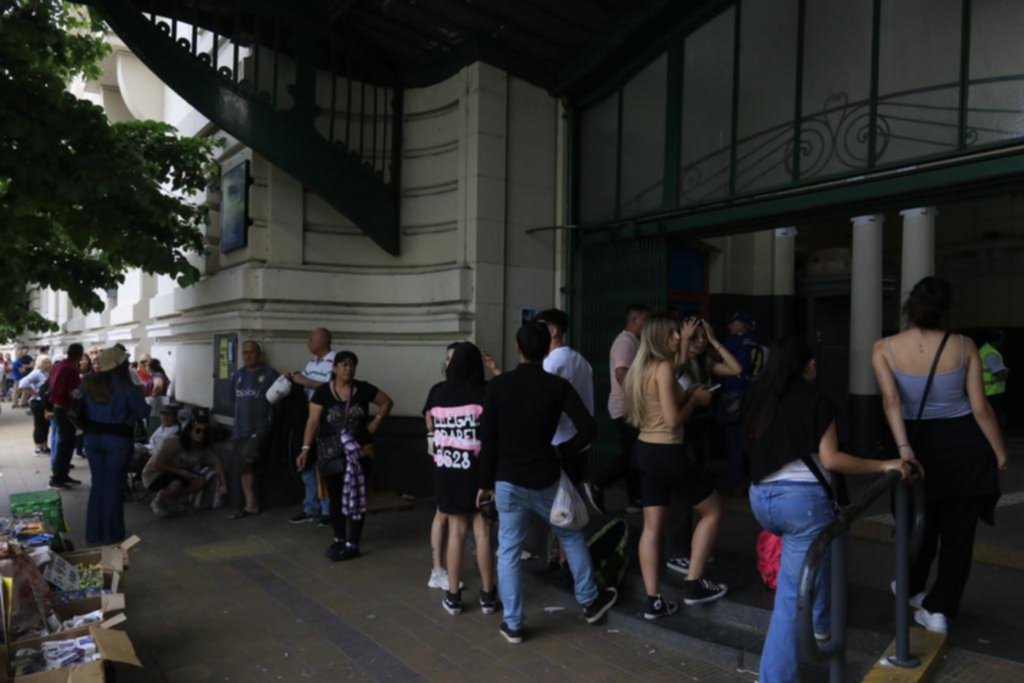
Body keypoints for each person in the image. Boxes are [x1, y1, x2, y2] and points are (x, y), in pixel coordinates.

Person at [746, 337, 910, 683]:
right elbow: (833, 460)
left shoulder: (758, 396)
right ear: (809, 366)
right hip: (801, 505)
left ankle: (821, 625)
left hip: (761, 499)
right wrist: (884, 465)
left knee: (828, 547)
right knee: (790, 598)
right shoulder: (817, 399)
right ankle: (774, 678)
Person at [872, 276, 1006, 634]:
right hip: (966, 447)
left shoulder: (884, 347)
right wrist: (999, 452)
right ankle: (939, 609)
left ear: (908, 307)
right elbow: (980, 409)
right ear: (945, 311)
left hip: (919, 446)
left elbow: (892, 402)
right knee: (959, 537)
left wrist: (904, 450)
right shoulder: (964, 346)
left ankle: (912, 587)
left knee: (920, 524)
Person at [478, 321, 617, 644]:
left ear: (518, 348)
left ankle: (513, 624)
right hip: (546, 477)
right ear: (546, 348)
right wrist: (559, 450)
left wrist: (485, 483)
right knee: (570, 535)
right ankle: (590, 601)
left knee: (509, 550)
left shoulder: (497, 387)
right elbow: (588, 429)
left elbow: (489, 440)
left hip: (507, 480)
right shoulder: (557, 387)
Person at [622, 314, 727, 618]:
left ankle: (653, 600)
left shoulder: (642, 369)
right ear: (659, 338)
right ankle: (694, 583)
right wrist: (695, 400)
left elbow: (673, 374)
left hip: (644, 450)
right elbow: (672, 418)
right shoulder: (664, 369)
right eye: (673, 334)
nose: (678, 337)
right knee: (714, 510)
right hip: (667, 450)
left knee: (652, 527)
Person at [424, 342, 498, 615]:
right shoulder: (485, 392)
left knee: (455, 533)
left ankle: (453, 597)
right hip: (479, 475)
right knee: (483, 534)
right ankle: (488, 596)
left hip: (446, 473)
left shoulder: (439, 393)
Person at [298, 351, 393, 561]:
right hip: (331, 453)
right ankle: (339, 538)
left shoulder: (363, 389)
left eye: (352, 365)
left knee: (358, 495)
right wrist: (305, 449)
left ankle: (353, 542)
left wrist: (375, 423)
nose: (348, 369)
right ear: (335, 368)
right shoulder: (323, 392)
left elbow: (386, 402)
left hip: (360, 451)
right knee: (335, 496)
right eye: (344, 365)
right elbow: (312, 422)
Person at [666, 315, 742, 575]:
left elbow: (736, 369)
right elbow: (677, 367)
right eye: (695, 336)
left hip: (701, 431)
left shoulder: (705, 362)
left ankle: (692, 547)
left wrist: (714, 340)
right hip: (682, 433)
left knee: (697, 491)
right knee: (682, 494)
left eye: (702, 336)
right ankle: (676, 551)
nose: (700, 341)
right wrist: (685, 340)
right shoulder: (675, 363)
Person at [80, 346, 151, 544]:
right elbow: (143, 411)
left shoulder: (88, 383)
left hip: (92, 439)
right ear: (120, 366)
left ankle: (93, 533)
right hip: (118, 441)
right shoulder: (125, 386)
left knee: (98, 484)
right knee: (113, 486)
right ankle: (112, 533)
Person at [588, 304, 650, 512]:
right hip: (624, 408)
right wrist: (636, 397)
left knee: (632, 452)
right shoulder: (625, 342)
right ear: (636, 320)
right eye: (646, 320)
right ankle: (599, 483)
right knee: (632, 453)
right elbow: (621, 372)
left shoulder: (632, 341)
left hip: (627, 406)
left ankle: (635, 499)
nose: (648, 325)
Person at [287, 328, 335, 525]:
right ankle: (310, 508)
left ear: (322, 340)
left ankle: (327, 511)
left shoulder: (335, 361)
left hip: (325, 419)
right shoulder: (311, 363)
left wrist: (303, 380)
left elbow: (330, 389)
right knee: (306, 462)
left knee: (324, 465)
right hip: (308, 417)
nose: (307, 342)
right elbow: (305, 384)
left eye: (311, 339)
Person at [227, 341, 279, 519]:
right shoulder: (238, 375)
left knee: (247, 461)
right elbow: (233, 399)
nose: (248, 356)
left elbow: (278, 400)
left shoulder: (269, 374)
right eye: (245, 352)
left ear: (259, 354)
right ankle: (251, 504)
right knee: (243, 467)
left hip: (260, 429)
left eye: (252, 352)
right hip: (240, 429)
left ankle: (253, 503)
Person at [423, 342, 460, 591]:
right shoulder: (438, 389)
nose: (448, 364)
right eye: (447, 359)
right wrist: (433, 437)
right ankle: (437, 570)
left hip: (466, 460)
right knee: (443, 512)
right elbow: (428, 415)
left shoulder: (476, 389)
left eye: (453, 359)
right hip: (448, 459)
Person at [143, 413, 227, 517]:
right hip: (154, 474)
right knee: (176, 484)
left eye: (204, 432)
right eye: (198, 431)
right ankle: (158, 500)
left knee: (200, 481)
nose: (201, 434)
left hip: (177, 475)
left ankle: (171, 499)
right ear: (190, 431)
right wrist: (180, 472)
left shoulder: (201, 449)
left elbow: (216, 463)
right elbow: (157, 464)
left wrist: (223, 484)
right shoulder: (175, 442)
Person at [720, 311, 763, 490]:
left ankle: (735, 482)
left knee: (735, 441)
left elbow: (721, 361)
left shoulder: (735, 341)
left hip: (735, 396)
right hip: (752, 395)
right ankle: (754, 477)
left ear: (743, 326)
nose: (730, 326)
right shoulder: (756, 342)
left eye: (734, 323)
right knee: (748, 439)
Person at [48, 344, 85, 490]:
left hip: (58, 407)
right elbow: (74, 392)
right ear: (80, 355)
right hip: (66, 409)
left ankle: (63, 475)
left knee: (67, 444)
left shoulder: (59, 365)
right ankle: (57, 478)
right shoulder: (71, 368)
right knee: (65, 444)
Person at [20, 356, 53, 455]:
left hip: (45, 402)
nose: (48, 364)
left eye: (49, 362)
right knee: (39, 425)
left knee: (46, 425)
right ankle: (38, 448)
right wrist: (33, 392)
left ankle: (45, 446)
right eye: (45, 362)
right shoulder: (37, 373)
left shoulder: (49, 373)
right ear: (40, 364)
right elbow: (23, 383)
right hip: (37, 402)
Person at [979, 330, 1010, 428]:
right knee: (996, 418)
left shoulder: (983, 350)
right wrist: (1006, 370)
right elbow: (1001, 375)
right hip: (993, 393)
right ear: (999, 340)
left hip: (985, 392)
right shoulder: (991, 354)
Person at [74, 354, 94, 457]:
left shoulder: (92, 372)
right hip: (79, 401)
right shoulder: (75, 372)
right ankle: (78, 449)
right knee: (79, 428)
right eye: (81, 359)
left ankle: (85, 447)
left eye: (86, 359)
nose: (84, 361)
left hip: (89, 401)